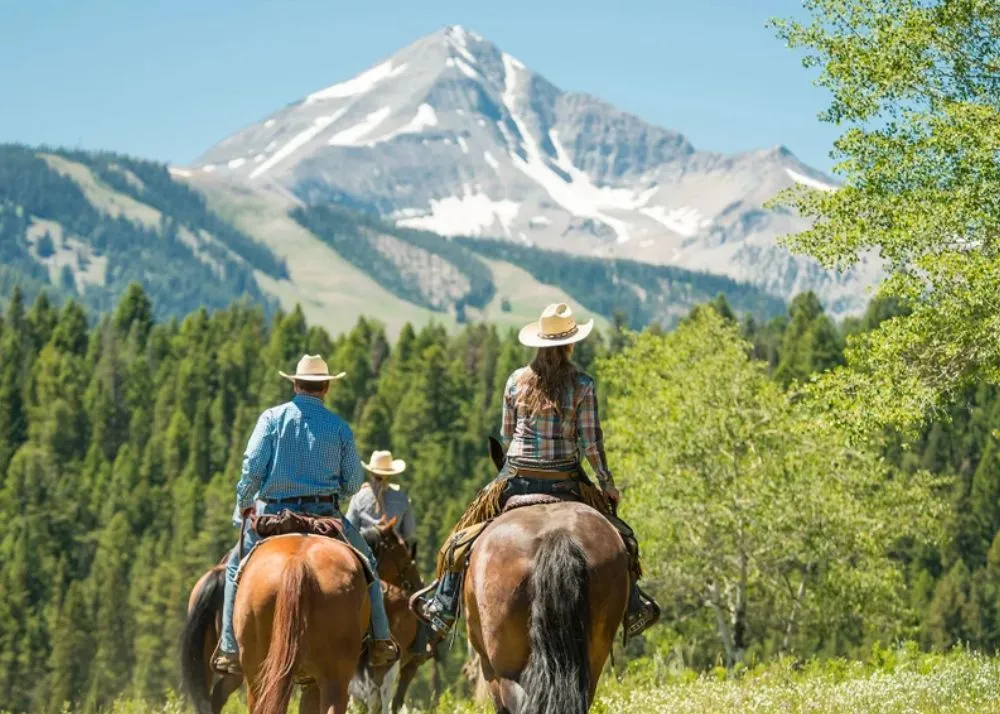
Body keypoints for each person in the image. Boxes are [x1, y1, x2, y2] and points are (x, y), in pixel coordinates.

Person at [411, 303, 660, 639]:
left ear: (539, 343)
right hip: (566, 477)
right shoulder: (583, 384)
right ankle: (632, 606)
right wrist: (607, 483)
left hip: (517, 475)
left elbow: (506, 433)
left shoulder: (517, 380)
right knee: (623, 539)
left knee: (461, 536)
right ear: (570, 344)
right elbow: (591, 442)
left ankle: (443, 604)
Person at [213, 355, 399, 675]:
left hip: (274, 514)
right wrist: (333, 498)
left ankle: (230, 647)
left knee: (233, 567)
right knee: (366, 562)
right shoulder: (339, 428)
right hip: (324, 516)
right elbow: (353, 481)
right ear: (325, 387)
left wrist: (245, 502)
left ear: (295, 384)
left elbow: (252, 466)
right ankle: (381, 638)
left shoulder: (272, 419)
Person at [345, 450, 416, 544]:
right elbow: (409, 532)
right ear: (390, 475)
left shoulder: (358, 497)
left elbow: (349, 530)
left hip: (364, 549)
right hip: (391, 552)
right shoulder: (403, 499)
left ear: (371, 473)